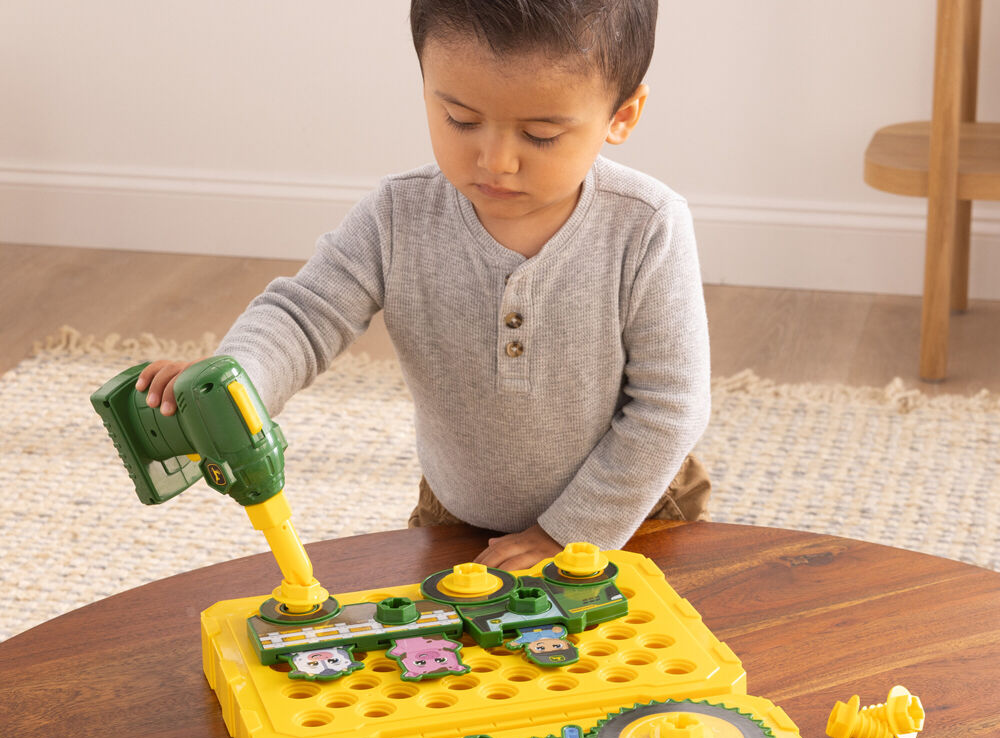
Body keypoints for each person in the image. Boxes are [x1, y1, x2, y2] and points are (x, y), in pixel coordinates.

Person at [137, 0, 711, 572]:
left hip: (631, 507)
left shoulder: (648, 225)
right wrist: (238, 383)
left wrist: (568, 533)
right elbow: (305, 315)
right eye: (461, 120)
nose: (496, 161)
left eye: (540, 134)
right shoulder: (397, 215)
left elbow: (670, 407)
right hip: (456, 513)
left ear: (622, 115)